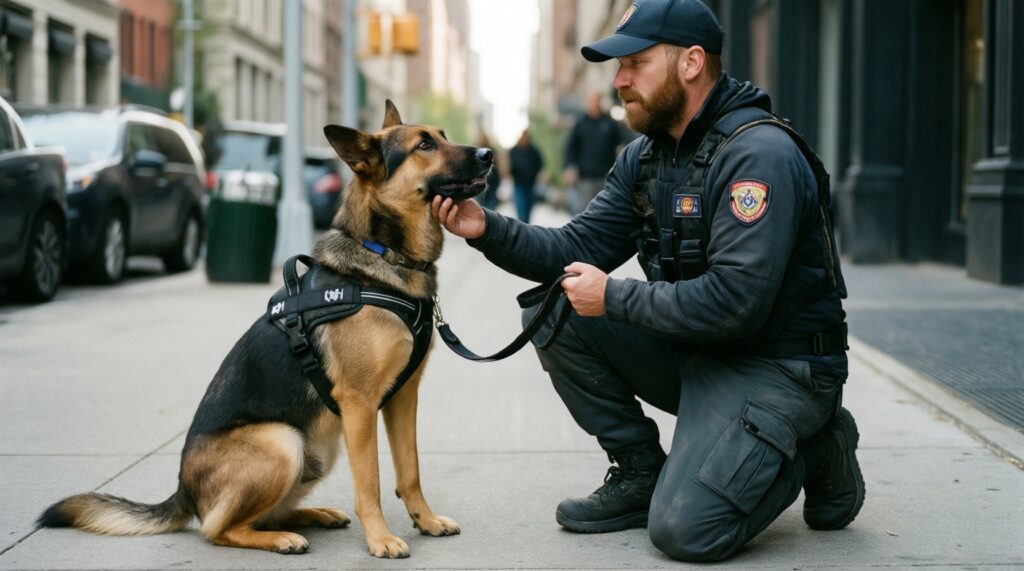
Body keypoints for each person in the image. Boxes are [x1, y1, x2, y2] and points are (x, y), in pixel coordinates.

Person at [432, 0, 863, 562]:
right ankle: (640, 472)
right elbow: (573, 250)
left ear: (691, 63)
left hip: (780, 367)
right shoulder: (646, 157)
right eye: (619, 66)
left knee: (686, 532)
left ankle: (819, 443)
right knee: (555, 308)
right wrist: (485, 228)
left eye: (635, 64)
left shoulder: (758, 155)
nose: (620, 80)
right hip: (701, 352)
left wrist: (613, 296)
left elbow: (735, 303)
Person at [563, 91, 628, 215]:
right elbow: (570, 147)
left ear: (600, 102)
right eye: (591, 101)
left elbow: (623, 143)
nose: (593, 104)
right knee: (583, 212)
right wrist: (569, 167)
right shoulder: (580, 123)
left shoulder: (609, 123)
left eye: (596, 101)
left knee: (604, 212)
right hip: (585, 178)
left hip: (605, 177)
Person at [507, 129, 544, 222]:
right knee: (520, 205)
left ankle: (525, 223)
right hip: (518, 183)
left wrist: (538, 174)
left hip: (531, 183)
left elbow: (540, 164)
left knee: (529, 206)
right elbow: (510, 165)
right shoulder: (514, 150)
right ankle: (522, 223)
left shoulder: (534, 150)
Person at [477, 132, 502, 211]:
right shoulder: (476, 150)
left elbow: (497, 165)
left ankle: (489, 216)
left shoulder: (492, 151)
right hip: (479, 181)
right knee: (480, 205)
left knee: (491, 204)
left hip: (492, 181)